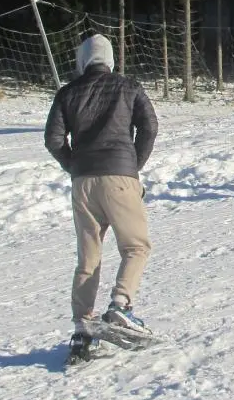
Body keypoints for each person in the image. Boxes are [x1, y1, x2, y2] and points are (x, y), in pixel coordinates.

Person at [44, 33, 159, 363]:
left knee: (88, 259)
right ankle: (121, 306)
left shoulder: (67, 93)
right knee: (136, 247)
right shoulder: (129, 86)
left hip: (83, 182)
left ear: (82, 61)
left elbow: (53, 139)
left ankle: (82, 331)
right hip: (120, 176)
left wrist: (74, 166)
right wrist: (132, 168)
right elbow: (149, 127)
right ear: (110, 60)